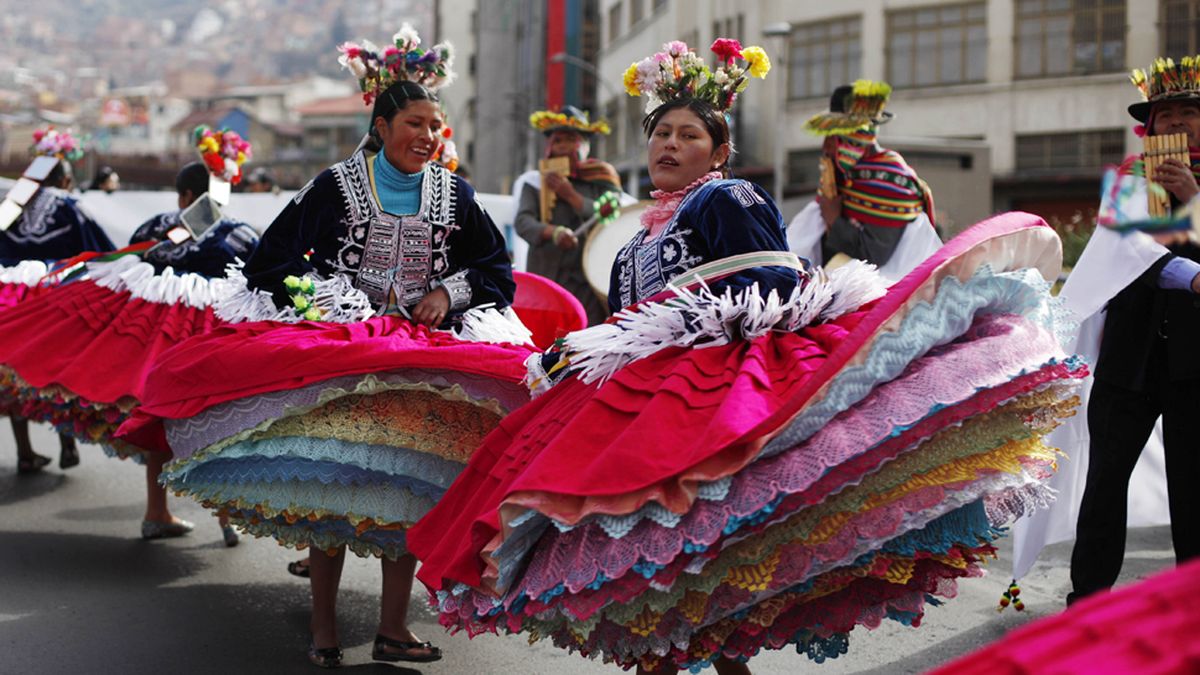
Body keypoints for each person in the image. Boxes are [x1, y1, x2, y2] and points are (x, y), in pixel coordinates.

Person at [409, 39, 1083, 674]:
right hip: (638, 398)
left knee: (710, 568)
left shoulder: (724, 197)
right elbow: (621, 322)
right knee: (665, 578)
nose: (670, 145)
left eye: (688, 135)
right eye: (660, 133)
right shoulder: (629, 245)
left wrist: (678, 324)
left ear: (718, 150)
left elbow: (772, 287)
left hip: (713, 391)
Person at [117, 26, 535, 668]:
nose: (427, 137)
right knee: (331, 497)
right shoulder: (333, 186)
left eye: (436, 126)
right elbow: (271, 262)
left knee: (412, 493)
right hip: (344, 355)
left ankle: (393, 631)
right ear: (383, 121)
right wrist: (336, 302)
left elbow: (495, 270)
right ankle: (323, 632)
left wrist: (448, 296)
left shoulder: (456, 195)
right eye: (415, 122)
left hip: (424, 359)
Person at [0, 149, 260, 546]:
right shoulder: (239, 233)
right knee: (216, 415)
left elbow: (129, 259)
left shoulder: (156, 225)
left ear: (183, 196)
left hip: (153, 335)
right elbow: (257, 275)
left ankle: (157, 511)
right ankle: (225, 518)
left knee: (156, 413)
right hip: (210, 334)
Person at [1066, 55, 1200, 605]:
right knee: (1104, 486)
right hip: (1128, 355)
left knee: (1194, 494)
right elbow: (1123, 254)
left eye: (1188, 114)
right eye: (1165, 116)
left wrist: (1193, 199)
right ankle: (1087, 604)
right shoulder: (1128, 178)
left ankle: (1189, 611)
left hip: (1195, 361)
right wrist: (1189, 277)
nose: (1176, 125)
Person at [1, 127, 114, 474]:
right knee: (57, 372)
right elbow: (104, 252)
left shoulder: (10, 207)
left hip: (11, 300)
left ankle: (24, 451)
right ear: (65, 181)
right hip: (57, 302)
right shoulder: (72, 206)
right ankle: (66, 442)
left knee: (13, 373)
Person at [787, 81, 940, 282]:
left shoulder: (893, 179)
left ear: (851, 138)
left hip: (891, 291)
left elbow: (875, 257)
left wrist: (833, 218)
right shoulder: (847, 174)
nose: (826, 146)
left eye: (833, 136)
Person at [514, 106, 621, 324]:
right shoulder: (534, 182)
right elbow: (523, 222)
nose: (563, 147)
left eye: (571, 140)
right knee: (544, 337)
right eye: (558, 140)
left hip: (587, 279)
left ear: (584, 145)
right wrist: (552, 233)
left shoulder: (602, 177)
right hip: (547, 275)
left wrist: (570, 195)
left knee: (584, 336)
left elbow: (613, 214)